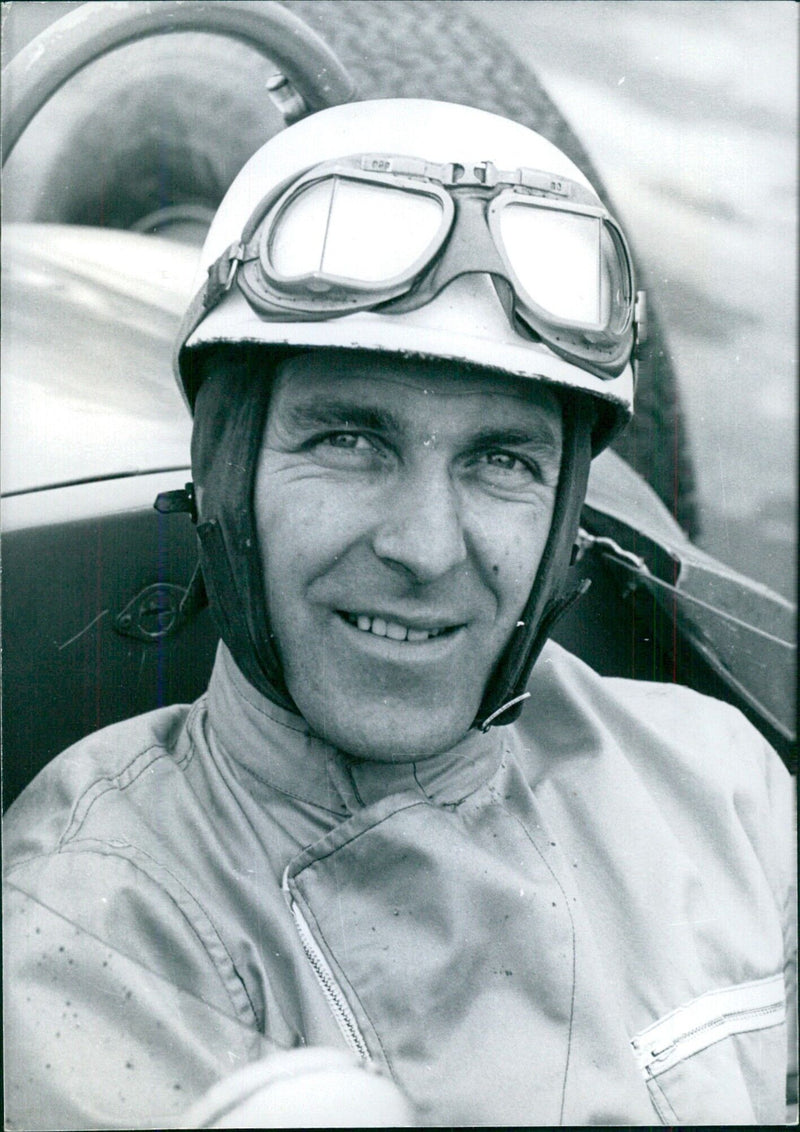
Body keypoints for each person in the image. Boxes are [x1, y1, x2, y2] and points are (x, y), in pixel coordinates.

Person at [3, 99, 795, 1129]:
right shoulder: (95, 928)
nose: (425, 547)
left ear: (564, 519)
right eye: (349, 438)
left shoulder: (723, 783)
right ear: (226, 474)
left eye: (501, 461)